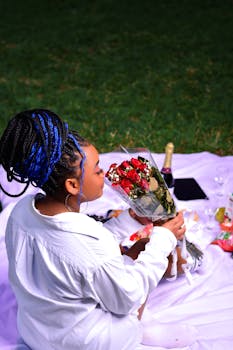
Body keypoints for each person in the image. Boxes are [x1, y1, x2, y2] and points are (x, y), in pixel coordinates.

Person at [0, 109, 198, 350]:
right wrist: (164, 238)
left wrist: (131, 219)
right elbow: (127, 298)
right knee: (147, 250)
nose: (104, 174)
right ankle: (137, 331)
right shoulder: (87, 245)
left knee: (138, 248)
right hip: (84, 343)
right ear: (72, 185)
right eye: (97, 170)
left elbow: (75, 250)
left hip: (37, 331)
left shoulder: (21, 211)